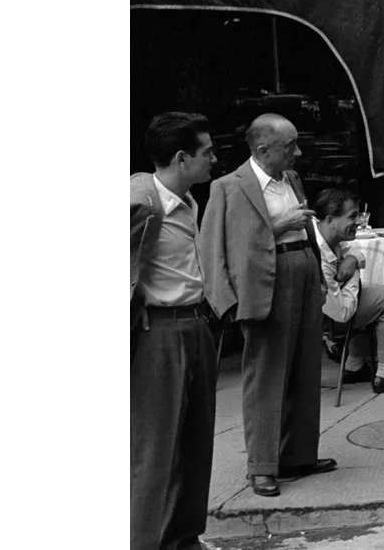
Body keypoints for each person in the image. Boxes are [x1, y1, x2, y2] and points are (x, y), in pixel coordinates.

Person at [200, 113, 335, 498]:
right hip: (265, 280)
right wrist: (225, 302)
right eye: (290, 146)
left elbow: (307, 228)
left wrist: (320, 276)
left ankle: (298, 455)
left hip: (303, 270)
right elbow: (213, 248)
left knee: (306, 368)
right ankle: (261, 465)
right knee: (266, 376)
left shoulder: (291, 179)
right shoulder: (228, 187)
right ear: (263, 149)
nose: (299, 152)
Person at [131, 112, 218, 550]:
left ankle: (183, 539)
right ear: (182, 158)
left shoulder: (186, 201)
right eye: (207, 153)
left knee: (195, 444)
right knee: (155, 451)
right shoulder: (139, 198)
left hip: (194, 325)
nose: (214, 160)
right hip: (159, 335)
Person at [311, 187, 384, 394]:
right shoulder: (319, 255)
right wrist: (353, 272)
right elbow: (342, 313)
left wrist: (352, 259)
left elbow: (353, 251)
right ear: (330, 220)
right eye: (352, 216)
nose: (359, 222)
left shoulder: (323, 233)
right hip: (326, 321)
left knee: (372, 294)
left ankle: (355, 365)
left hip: (331, 308)